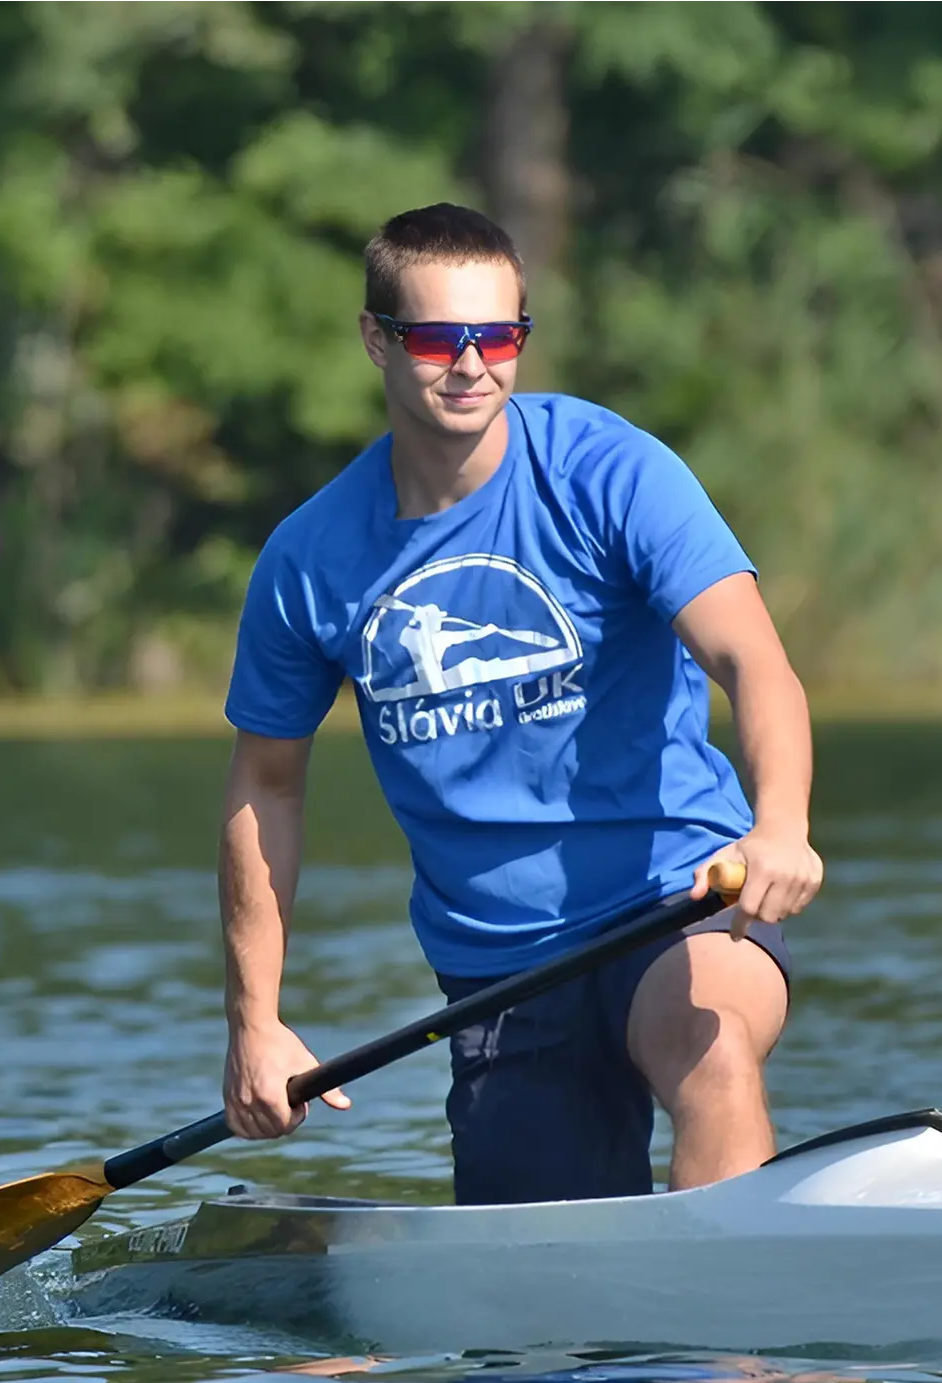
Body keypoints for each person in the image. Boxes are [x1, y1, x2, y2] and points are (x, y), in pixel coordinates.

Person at [219, 202, 822, 1205]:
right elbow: (264, 788)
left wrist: (783, 827)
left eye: (497, 336)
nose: (471, 365)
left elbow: (757, 665)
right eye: (436, 339)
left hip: (680, 900)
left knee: (709, 1048)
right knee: (537, 1316)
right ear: (376, 339)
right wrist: (255, 1017)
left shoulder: (611, 473)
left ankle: (731, 1345)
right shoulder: (310, 560)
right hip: (499, 972)